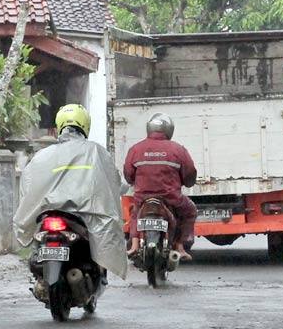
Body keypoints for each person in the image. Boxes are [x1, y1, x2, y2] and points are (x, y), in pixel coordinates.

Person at [13, 104, 128, 280]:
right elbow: (112, 179)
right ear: (85, 125)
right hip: (82, 214)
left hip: (49, 211)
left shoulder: (44, 155)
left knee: (36, 243)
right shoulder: (95, 151)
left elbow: (29, 184)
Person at [124, 113, 198, 261]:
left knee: (135, 214)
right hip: (171, 198)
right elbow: (189, 174)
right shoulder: (178, 150)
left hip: (143, 197)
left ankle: (134, 245)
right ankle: (180, 246)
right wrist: (186, 182)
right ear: (169, 130)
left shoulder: (136, 149)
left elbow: (128, 175)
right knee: (190, 211)